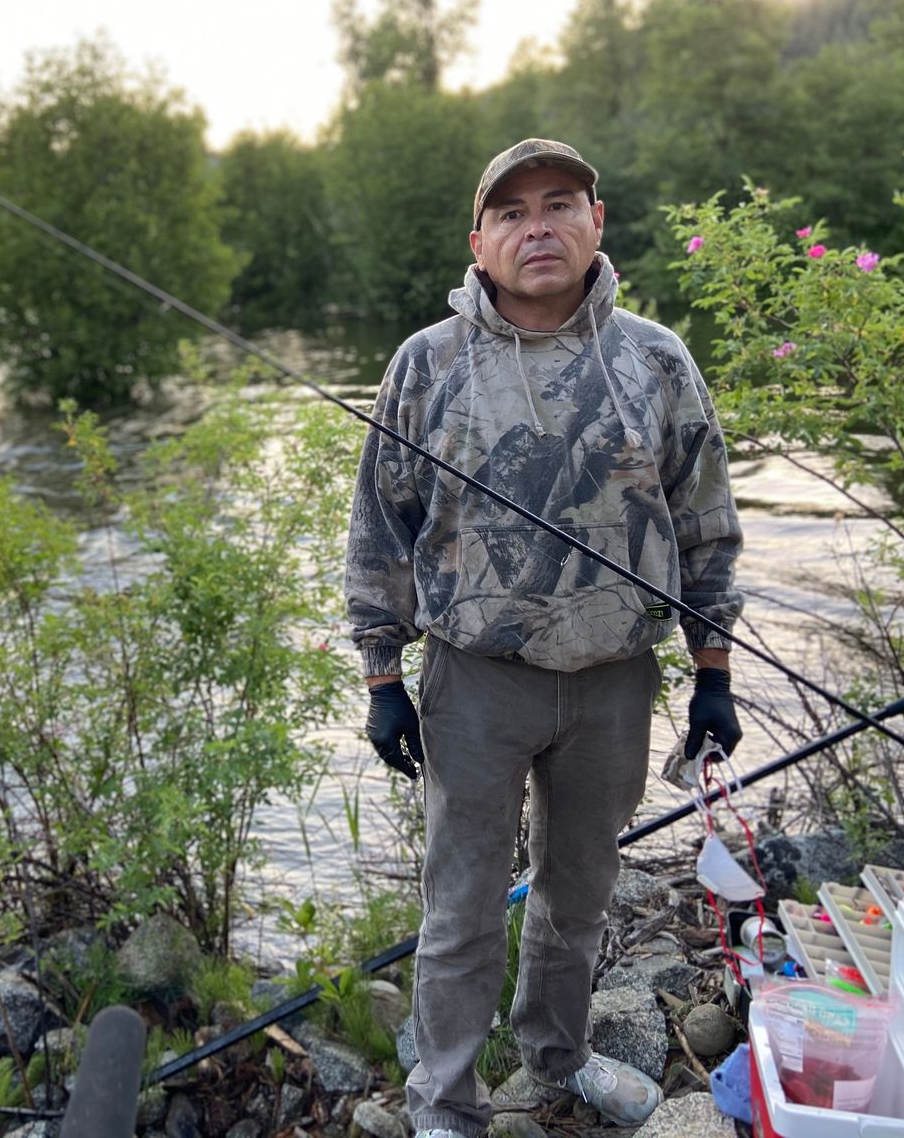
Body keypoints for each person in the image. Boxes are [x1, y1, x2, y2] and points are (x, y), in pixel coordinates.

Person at [344, 138, 744, 1134]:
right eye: (512, 213)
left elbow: (705, 523)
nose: (538, 227)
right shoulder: (425, 364)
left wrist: (712, 676)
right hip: (475, 680)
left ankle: (556, 1065)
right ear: (478, 242)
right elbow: (377, 526)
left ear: (594, 224)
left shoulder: (654, 359)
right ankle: (442, 1098)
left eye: (559, 204)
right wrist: (381, 675)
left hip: (614, 679)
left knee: (580, 893)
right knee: (463, 902)